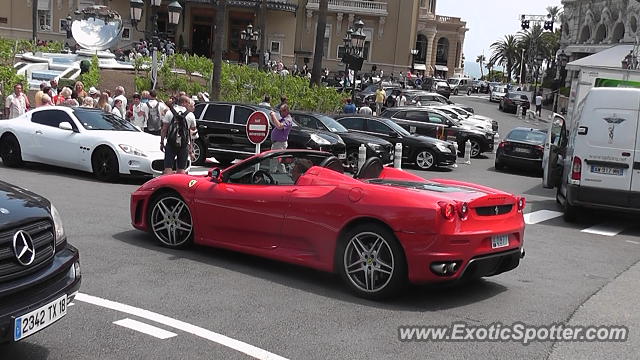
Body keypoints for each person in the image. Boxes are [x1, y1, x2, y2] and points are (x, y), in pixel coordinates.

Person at [160, 96, 197, 175]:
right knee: (181, 168)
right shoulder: (190, 115)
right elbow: (193, 131)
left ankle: (167, 185)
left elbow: (164, 129)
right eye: (188, 103)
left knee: (168, 167)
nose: (189, 105)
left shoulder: (170, 112)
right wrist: (191, 147)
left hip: (171, 142)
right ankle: (179, 186)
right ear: (184, 103)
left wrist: (162, 142)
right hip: (184, 144)